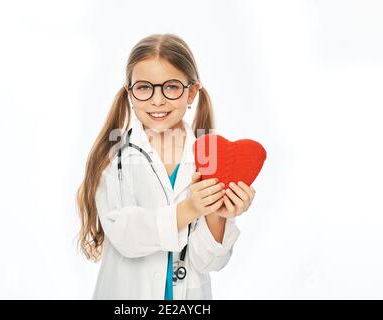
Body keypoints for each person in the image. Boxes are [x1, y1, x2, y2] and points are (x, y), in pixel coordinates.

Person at [77, 33, 256, 300]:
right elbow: (126, 235)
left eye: (171, 87)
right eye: (144, 87)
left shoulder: (208, 158)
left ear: (191, 92)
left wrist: (218, 213)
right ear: (130, 93)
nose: (157, 100)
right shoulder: (115, 158)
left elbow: (209, 262)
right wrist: (191, 208)